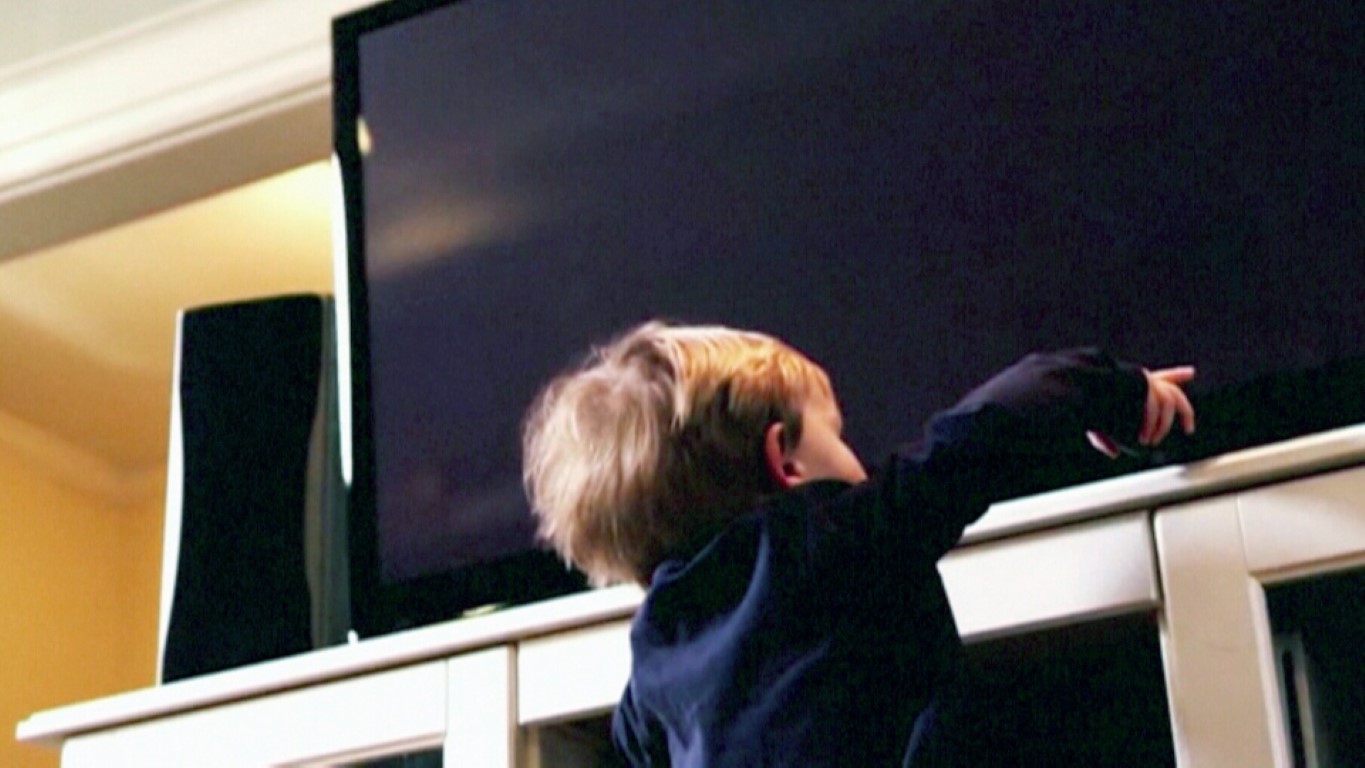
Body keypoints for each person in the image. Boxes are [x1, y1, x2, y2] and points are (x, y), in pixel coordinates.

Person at [521, 320, 1195, 766]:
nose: (857, 460)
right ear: (785, 460)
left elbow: (635, 746)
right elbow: (989, 427)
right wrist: (1118, 392)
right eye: (835, 434)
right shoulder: (835, 538)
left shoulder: (656, 653)